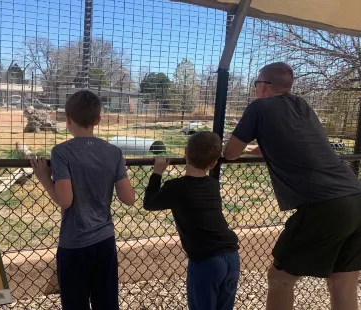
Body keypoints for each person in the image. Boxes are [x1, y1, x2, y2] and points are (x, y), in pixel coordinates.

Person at [224, 62, 361, 310]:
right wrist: (262, 150)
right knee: (343, 281)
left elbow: (231, 152)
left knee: (280, 278)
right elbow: (300, 144)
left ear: (263, 86)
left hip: (325, 205)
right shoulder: (302, 105)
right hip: (356, 196)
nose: (255, 88)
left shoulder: (259, 107)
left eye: (256, 83)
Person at [31, 90, 135, 310]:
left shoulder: (61, 152)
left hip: (75, 244)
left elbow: (65, 200)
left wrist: (43, 178)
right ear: (98, 120)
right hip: (105, 241)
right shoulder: (114, 152)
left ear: (67, 119)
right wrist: (119, 169)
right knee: (106, 303)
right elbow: (128, 198)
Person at [143, 131, 240, 310]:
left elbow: (149, 203)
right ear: (213, 163)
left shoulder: (176, 187)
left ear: (185, 153)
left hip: (207, 261)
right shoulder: (212, 184)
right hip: (232, 257)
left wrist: (157, 172)